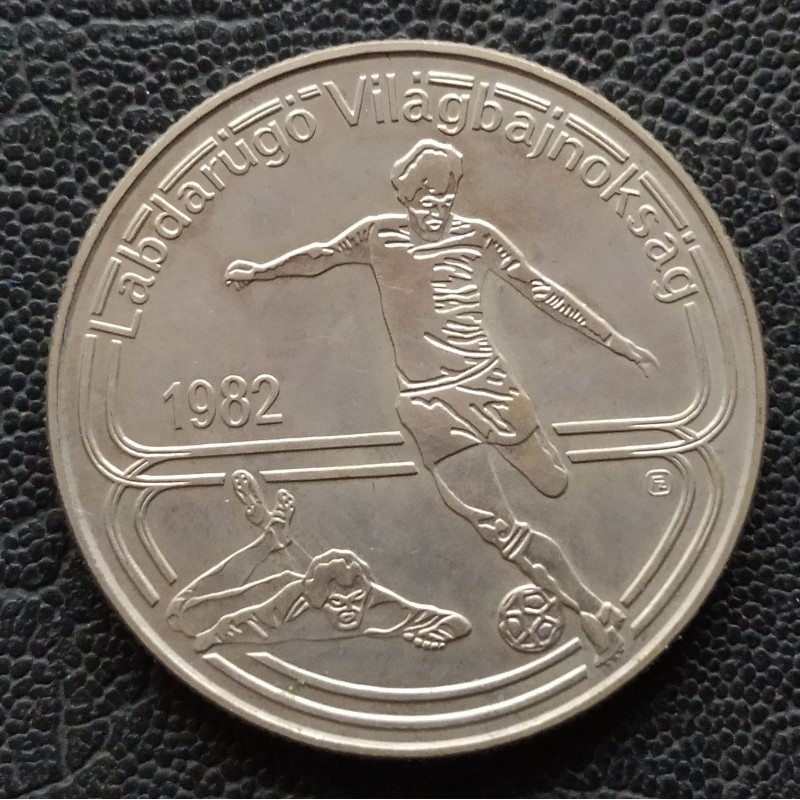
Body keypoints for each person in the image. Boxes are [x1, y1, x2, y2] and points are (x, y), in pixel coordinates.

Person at [224, 139, 658, 664]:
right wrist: (260, 271)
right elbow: (319, 257)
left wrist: (614, 341)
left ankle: (576, 569)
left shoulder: (479, 238)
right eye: (425, 198)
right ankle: (590, 610)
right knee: (497, 526)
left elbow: (540, 289)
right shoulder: (377, 236)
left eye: (445, 198)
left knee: (552, 482)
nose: (436, 208)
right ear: (406, 197)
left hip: (488, 385)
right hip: (428, 405)